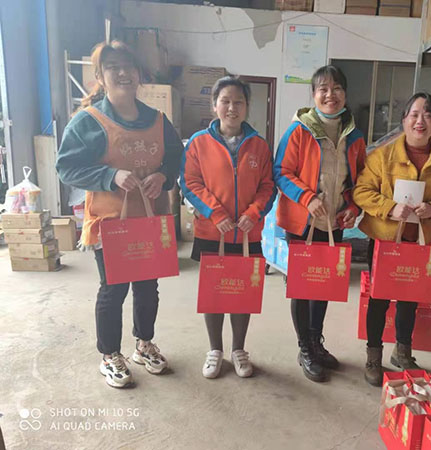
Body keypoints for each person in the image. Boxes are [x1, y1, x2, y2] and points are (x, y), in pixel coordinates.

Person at [56, 41, 183, 388]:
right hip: (111, 223)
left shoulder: (158, 120)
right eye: (113, 67)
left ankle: (143, 344)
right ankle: (110, 354)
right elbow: (66, 167)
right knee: (114, 289)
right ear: (100, 76)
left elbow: (176, 157)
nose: (123, 73)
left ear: (139, 74)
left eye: (129, 66)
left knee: (148, 287)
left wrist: (163, 176)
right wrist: (110, 176)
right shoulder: (89, 121)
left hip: (150, 220)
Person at [353, 93, 431, 386]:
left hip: (421, 245)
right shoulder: (382, 156)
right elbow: (361, 191)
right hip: (385, 242)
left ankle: (402, 352)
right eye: (414, 114)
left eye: (428, 115)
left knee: (410, 301)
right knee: (378, 300)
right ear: (404, 121)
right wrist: (390, 207)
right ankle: (373, 356)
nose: (420, 121)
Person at [274, 65, 366, 382]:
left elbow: (360, 180)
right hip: (302, 223)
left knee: (324, 285)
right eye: (323, 89)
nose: (330, 95)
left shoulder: (354, 135)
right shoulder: (299, 130)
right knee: (303, 288)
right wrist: (306, 197)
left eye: (336, 88)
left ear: (345, 94)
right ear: (313, 95)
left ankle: (316, 341)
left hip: (334, 222)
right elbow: (281, 172)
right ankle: (305, 348)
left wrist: (353, 206)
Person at [181, 76, 275, 379]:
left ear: (247, 107)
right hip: (212, 231)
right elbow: (190, 182)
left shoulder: (259, 145)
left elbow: (268, 186)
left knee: (242, 292)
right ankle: (215, 350)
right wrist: (215, 213)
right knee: (215, 291)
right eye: (225, 101)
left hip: (248, 233)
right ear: (214, 105)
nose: (232, 108)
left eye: (239, 102)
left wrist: (254, 213)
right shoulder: (198, 143)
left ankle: (238, 349)